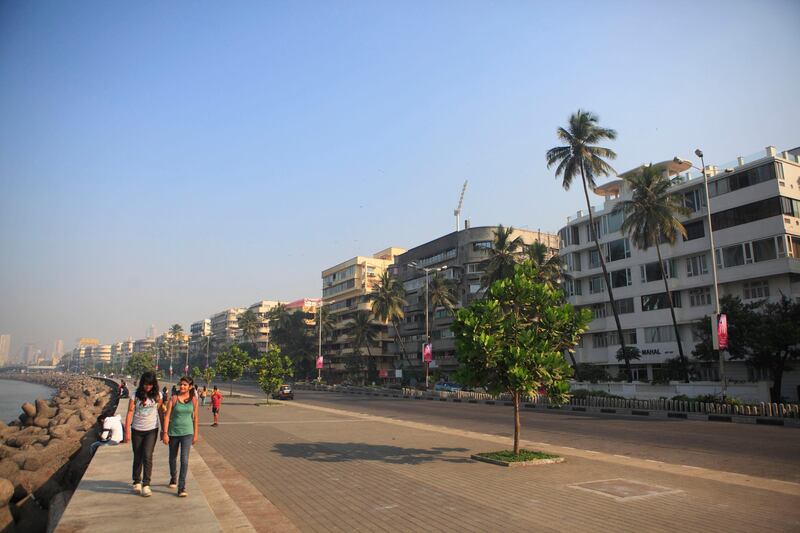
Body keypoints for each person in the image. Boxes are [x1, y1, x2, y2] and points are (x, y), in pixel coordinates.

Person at [123, 371, 163, 497]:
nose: (148, 387)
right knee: (138, 455)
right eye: (146, 384)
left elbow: (160, 412)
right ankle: (136, 481)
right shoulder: (135, 395)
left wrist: (164, 430)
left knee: (147, 455)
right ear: (142, 383)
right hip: (137, 430)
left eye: (150, 384)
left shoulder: (157, 396)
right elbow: (130, 412)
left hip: (152, 429)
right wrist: (127, 431)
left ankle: (146, 484)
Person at [162, 376, 199, 497]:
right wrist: (165, 433)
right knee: (172, 458)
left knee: (184, 460)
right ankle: (173, 477)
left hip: (187, 433)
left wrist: (195, 434)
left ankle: (181, 487)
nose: (182, 386)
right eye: (181, 384)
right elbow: (167, 416)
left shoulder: (193, 400)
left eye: (185, 385)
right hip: (173, 433)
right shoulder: (174, 398)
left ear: (190, 387)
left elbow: (195, 418)